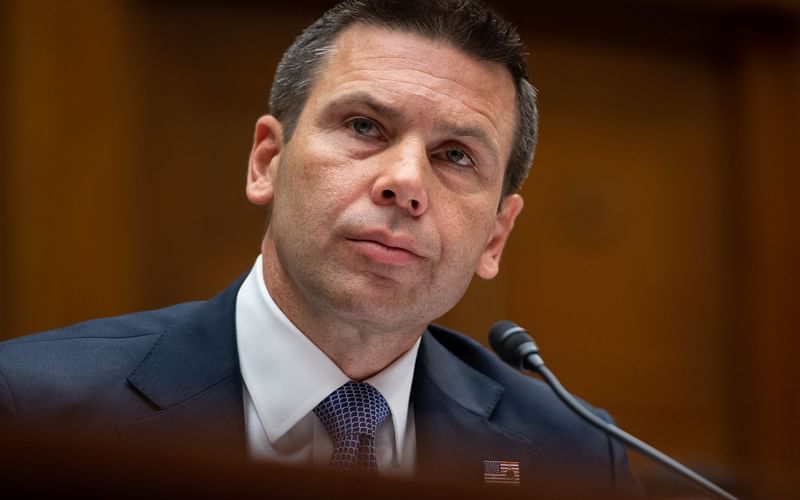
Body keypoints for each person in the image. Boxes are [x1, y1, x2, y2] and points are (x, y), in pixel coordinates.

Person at [0, 0, 641, 497]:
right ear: (266, 163)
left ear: (495, 236)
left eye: (455, 156)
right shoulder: (31, 408)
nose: (406, 183)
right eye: (365, 126)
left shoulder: (576, 455)